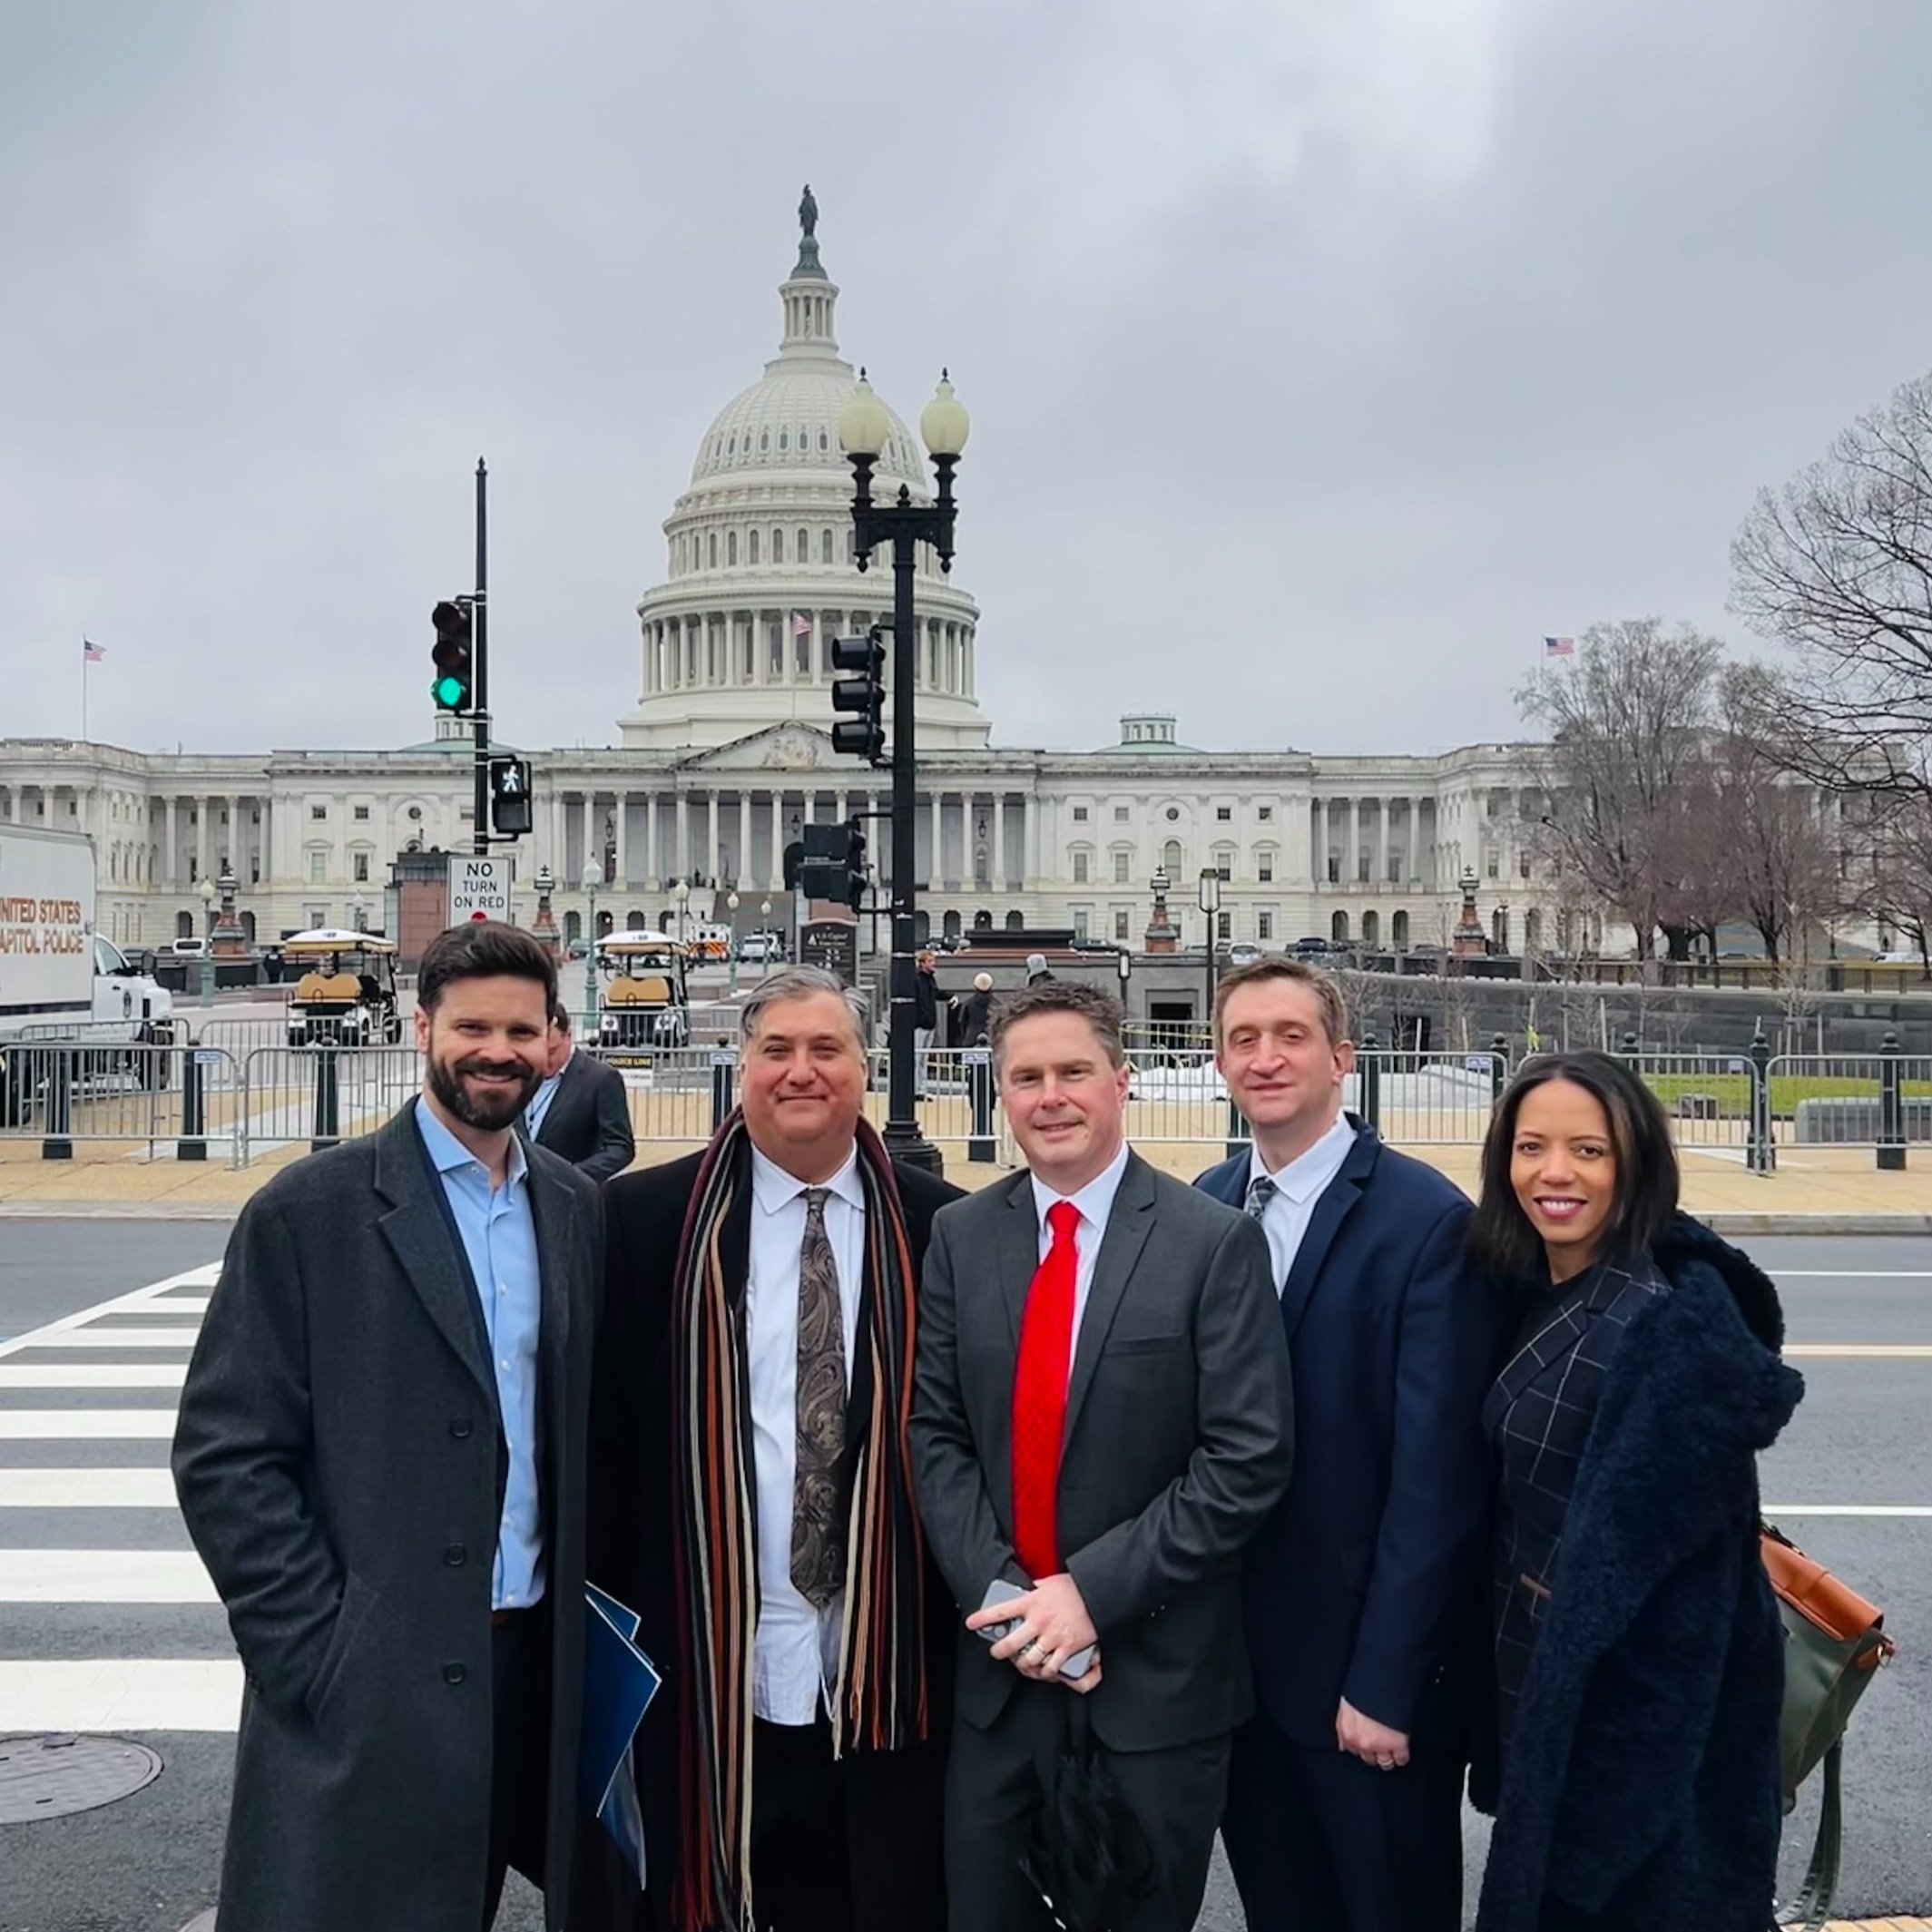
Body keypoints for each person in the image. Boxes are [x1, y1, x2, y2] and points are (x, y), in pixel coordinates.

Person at [172, 922, 603, 1932]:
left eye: (518, 1028)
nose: (495, 1049)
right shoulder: (309, 1207)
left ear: (553, 1042)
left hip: (529, 1663)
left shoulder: (575, 1208)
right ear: (422, 1027)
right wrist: (317, 1650)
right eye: (471, 1025)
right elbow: (227, 1450)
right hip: (375, 1669)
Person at [912, 981, 1292, 1932]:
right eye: (1026, 1076)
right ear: (998, 1094)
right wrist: (1009, 1604)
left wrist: (1086, 1596)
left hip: (1151, 1689)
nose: (1051, 1096)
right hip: (1001, 1684)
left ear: (1121, 1081)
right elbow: (936, 1433)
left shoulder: (1212, 1242)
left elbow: (1243, 1457)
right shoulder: (960, 1235)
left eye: (1073, 1071)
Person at [592, 966, 962, 1932]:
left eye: (826, 1049)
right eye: (776, 1050)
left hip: (885, 1673)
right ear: (740, 1066)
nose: (800, 1071)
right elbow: (603, 1452)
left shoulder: (942, 1226)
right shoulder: (642, 1223)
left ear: (865, 1069)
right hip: (707, 1663)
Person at [1193, 960, 1500, 1932]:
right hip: (1239, 1682)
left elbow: (1436, 1480)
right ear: (1217, 1062)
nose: (1265, 1055)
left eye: (1289, 1034)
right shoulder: (1207, 1201)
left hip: (1360, 1693)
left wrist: (1384, 1683)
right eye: (1243, 1038)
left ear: (1341, 1059)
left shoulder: (1424, 1219)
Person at [1466, 1051, 1803, 1932]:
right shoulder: (1543, 1289)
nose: (1553, 1172)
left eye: (1587, 1149)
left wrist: (1607, 1825)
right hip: (1544, 1697)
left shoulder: (1658, 1327)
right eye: (1530, 1145)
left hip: (1627, 1761)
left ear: (1635, 1162)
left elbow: (1684, 1620)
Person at [525, 998, 635, 1182]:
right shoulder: (520, 1075)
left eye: (551, 1051)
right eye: (537, 1052)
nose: (544, 1061)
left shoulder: (602, 1079)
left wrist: (572, 1175)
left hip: (572, 1196)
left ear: (568, 1037)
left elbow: (620, 1147)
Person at [914, 949, 941, 1094]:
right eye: (930, 961)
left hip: (930, 1023)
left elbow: (936, 993)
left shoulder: (931, 979)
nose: (933, 964)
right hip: (920, 1024)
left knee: (923, 1058)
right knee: (917, 1057)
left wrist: (949, 996)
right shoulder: (916, 979)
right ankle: (916, 1088)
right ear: (922, 963)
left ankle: (921, 1088)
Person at [950, 970, 995, 1047]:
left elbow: (962, 1022)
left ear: (975, 986)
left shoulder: (968, 1004)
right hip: (993, 1039)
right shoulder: (998, 1004)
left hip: (971, 1040)